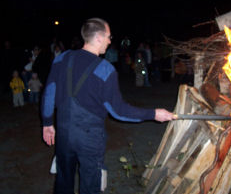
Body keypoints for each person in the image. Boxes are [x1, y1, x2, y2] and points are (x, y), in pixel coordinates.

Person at [41, 18, 175, 194]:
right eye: (109, 37)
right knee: (90, 185)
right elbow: (118, 111)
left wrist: (47, 123)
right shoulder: (105, 69)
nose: (110, 41)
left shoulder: (62, 59)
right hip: (90, 138)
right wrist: (153, 113)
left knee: (63, 181)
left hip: (64, 133)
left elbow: (49, 93)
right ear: (98, 38)